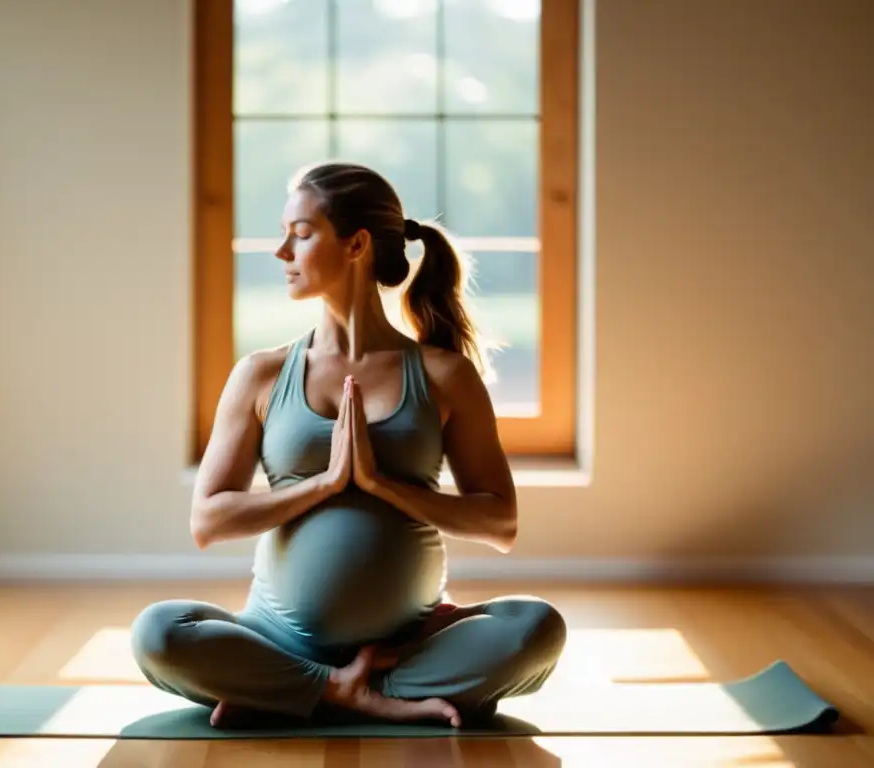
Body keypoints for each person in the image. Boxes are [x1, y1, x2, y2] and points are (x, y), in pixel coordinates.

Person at [130, 162, 567, 729]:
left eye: (301, 233)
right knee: (158, 633)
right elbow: (209, 520)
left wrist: (384, 485)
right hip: (277, 638)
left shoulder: (442, 375)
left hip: (405, 643)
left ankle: (311, 691)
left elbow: (500, 522)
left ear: (356, 244)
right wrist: (326, 484)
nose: (282, 252)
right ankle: (355, 691)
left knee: (537, 628)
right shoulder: (261, 375)